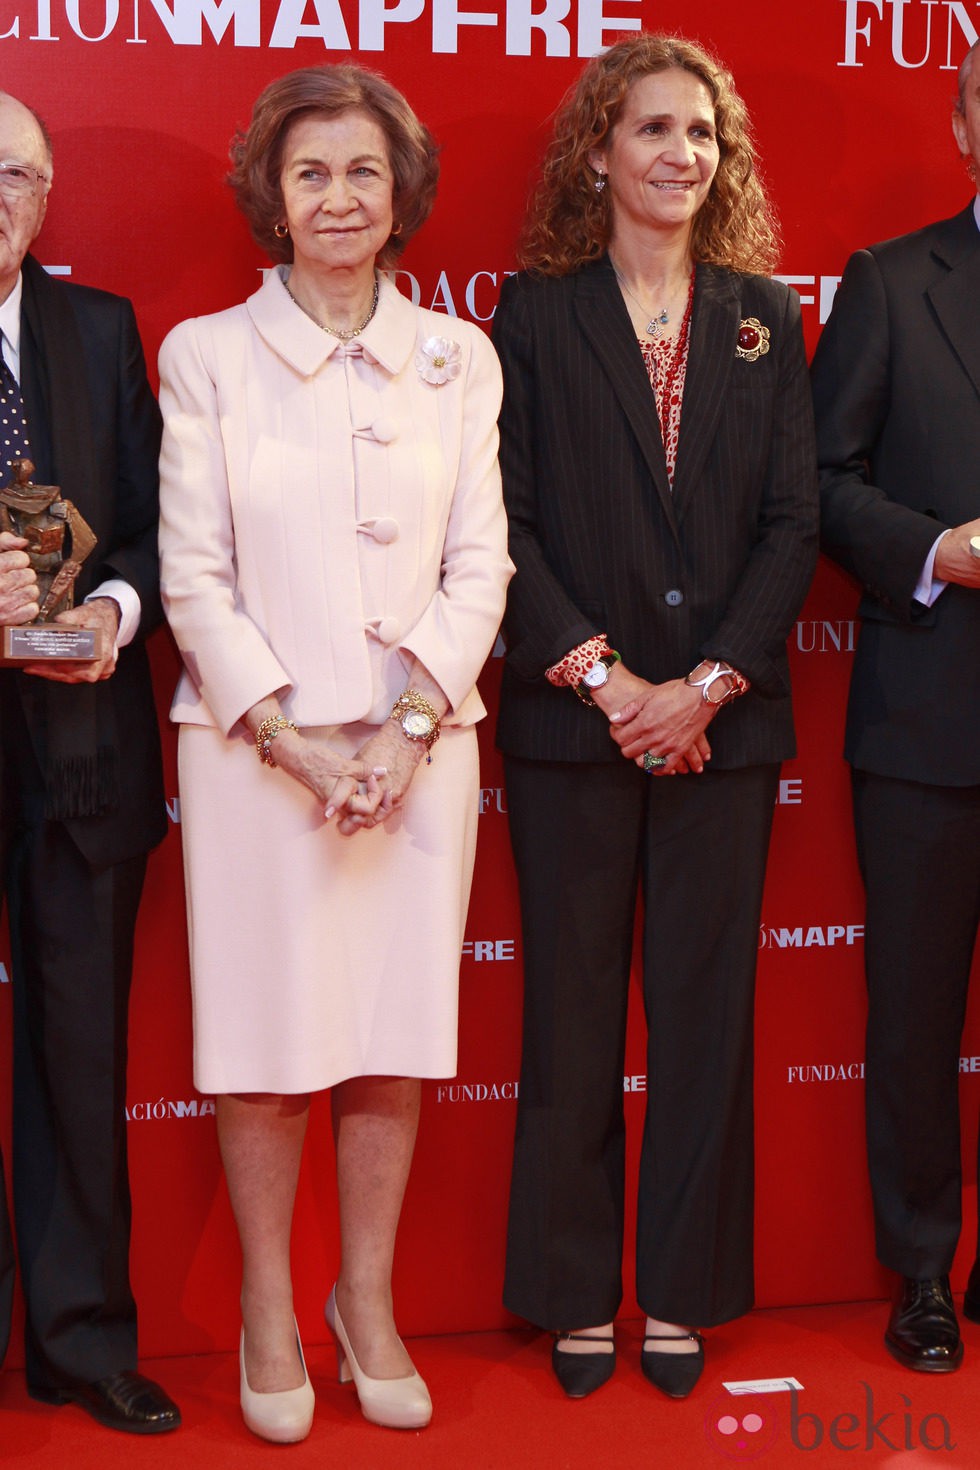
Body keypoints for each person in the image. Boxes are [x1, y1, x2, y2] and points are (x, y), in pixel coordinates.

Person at [158, 64, 511, 1443]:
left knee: (389, 1043)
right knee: (262, 1044)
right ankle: (267, 1307)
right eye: (311, 172)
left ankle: (367, 1303)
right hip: (260, 763)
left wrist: (414, 723)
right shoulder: (205, 354)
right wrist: (305, 747)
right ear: (272, 194)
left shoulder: (459, 358)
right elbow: (193, 578)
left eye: (363, 169)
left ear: (401, 188)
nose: (339, 196)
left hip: (423, 760)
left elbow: (483, 559)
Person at [494, 34, 818, 1399]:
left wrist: (708, 684)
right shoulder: (532, 312)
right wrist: (610, 679)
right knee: (569, 1020)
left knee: (704, 1013)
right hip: (578, 725)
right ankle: (574, 1289)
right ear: (598, 151)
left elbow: (796, 518)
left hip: (722, 731)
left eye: (703, 134)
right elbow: (501, 523)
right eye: (653, 130)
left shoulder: (763, 314)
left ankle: (682, 1288)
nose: (682, 154)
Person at [0, 94, 179, 1433]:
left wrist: (109, 617)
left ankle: (79, 1336)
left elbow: (156, 533)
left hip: (81, 745)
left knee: (78, 1053)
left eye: (15, 172)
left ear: (46, 195)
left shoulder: (101, 329)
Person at [810, 40, 980, 1374]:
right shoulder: (887, 283)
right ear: (966, 124)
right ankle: (921, 1269)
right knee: (916, 1012)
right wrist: (942, 550)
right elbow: (823, 482)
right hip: (931, 724)